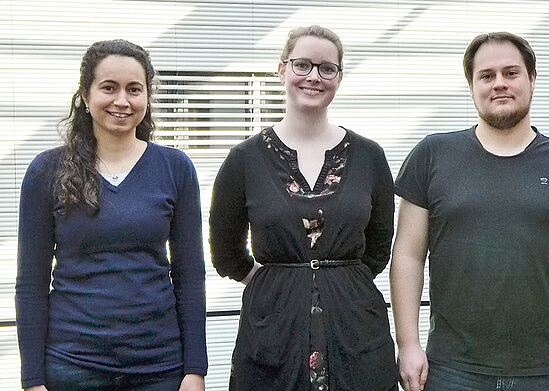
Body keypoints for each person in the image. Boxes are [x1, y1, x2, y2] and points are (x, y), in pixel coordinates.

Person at [391, 32, 549, 391]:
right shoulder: (432, 155)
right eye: (486, 75)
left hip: (547, 372)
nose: (499, 84)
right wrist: (408, 343)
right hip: (451, 371)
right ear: (471, 85)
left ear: (532, 80)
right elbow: (407, 254)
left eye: (511, 73)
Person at [209, 25, 397, 391]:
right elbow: (225, 252)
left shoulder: (370, 157)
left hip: (356, 328)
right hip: (271, 332)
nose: (314, 76)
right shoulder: (244, 160)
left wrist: (339, 282)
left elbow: (378, 247)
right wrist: (277, 282)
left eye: (327, 68)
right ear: (281, 70)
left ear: (339, 78)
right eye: (302, 65)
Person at [15, 39, 207, 391]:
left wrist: (195, 370)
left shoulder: (176, 168)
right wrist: (32, 380)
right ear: (86, 97)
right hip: (73, 369)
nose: (122, 100)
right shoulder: (47, 171)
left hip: (160, 370)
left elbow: (190, 276)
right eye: (109, 88)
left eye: (135, 89)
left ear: (147, 98)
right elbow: (31, 284)